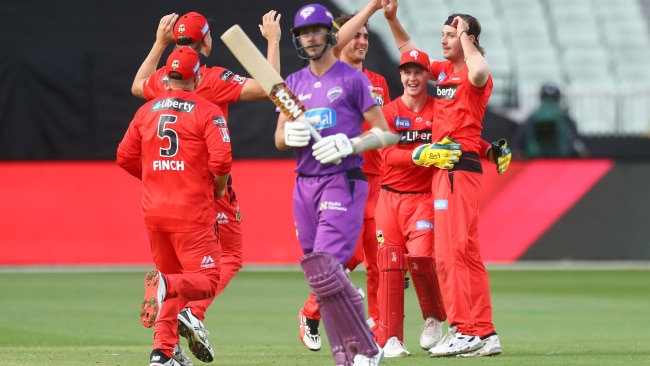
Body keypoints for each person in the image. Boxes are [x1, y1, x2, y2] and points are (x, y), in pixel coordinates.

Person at [131, 10, 281, 364]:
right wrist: (272, 41)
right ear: (206, 41)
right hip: (208, 186)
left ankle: (162, 351)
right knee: (228, 257)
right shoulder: (208, 78)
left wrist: (158, 43)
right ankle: (193, 312)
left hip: (165, 189)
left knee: (173, 271)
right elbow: (270, 88)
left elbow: (138, 85)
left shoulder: (167, 78)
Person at [381, 0, 510, 357]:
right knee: (468, 254)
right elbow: (411, 52)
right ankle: (485, 333)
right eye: (443, 34)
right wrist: (392, 19)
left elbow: (481, 71)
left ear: (467, 38)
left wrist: (467, 37)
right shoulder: (445, 71)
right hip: (454, 171)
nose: (444, 40)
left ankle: (463, 330)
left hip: (455, 169)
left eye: (450, 35)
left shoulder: (472, 73)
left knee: (450, 254)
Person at [276, 3, 400, 365]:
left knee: (328, 265)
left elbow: (386, 132)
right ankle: (353, 353)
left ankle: (364, 345)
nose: (310, 39)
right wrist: (290, 135)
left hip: (342, 179)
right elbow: (279, 138)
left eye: (316, 31)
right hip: (304, 184)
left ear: (330, 34)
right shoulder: (293, 84)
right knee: (317, 272)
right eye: (303, 33)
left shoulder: (353, 79)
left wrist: (353, 143)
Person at [116, 46, 232, 366]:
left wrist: (154, 178)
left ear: (167, 76)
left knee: (171, 276)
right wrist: (218, 188)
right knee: (204, 280)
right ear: (197, 77)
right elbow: (222, 161)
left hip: (154, 210)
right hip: (192, 211)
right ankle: (165, 285)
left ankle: (161, 353)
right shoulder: (208, 110)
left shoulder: (147, 110)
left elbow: (124, 156)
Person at [373, 49, 454, 358]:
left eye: (419, 72)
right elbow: (386, 154)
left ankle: (434, 317)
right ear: (401, 75)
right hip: (388, 200)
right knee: (389, 262)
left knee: (420, 257)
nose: (412, 78)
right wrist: (420, 155)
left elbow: (460, 138)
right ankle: (390, 338)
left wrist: (487, 151)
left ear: (427, 75)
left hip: (422, 201)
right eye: (407, 72)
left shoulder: (440, 111)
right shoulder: (390, 112)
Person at [514, 83, 589, 159]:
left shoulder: (532, 117)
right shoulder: (564, 117)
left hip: (535, 162)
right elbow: (577, 141)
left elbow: (519, 144)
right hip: (560, 162)